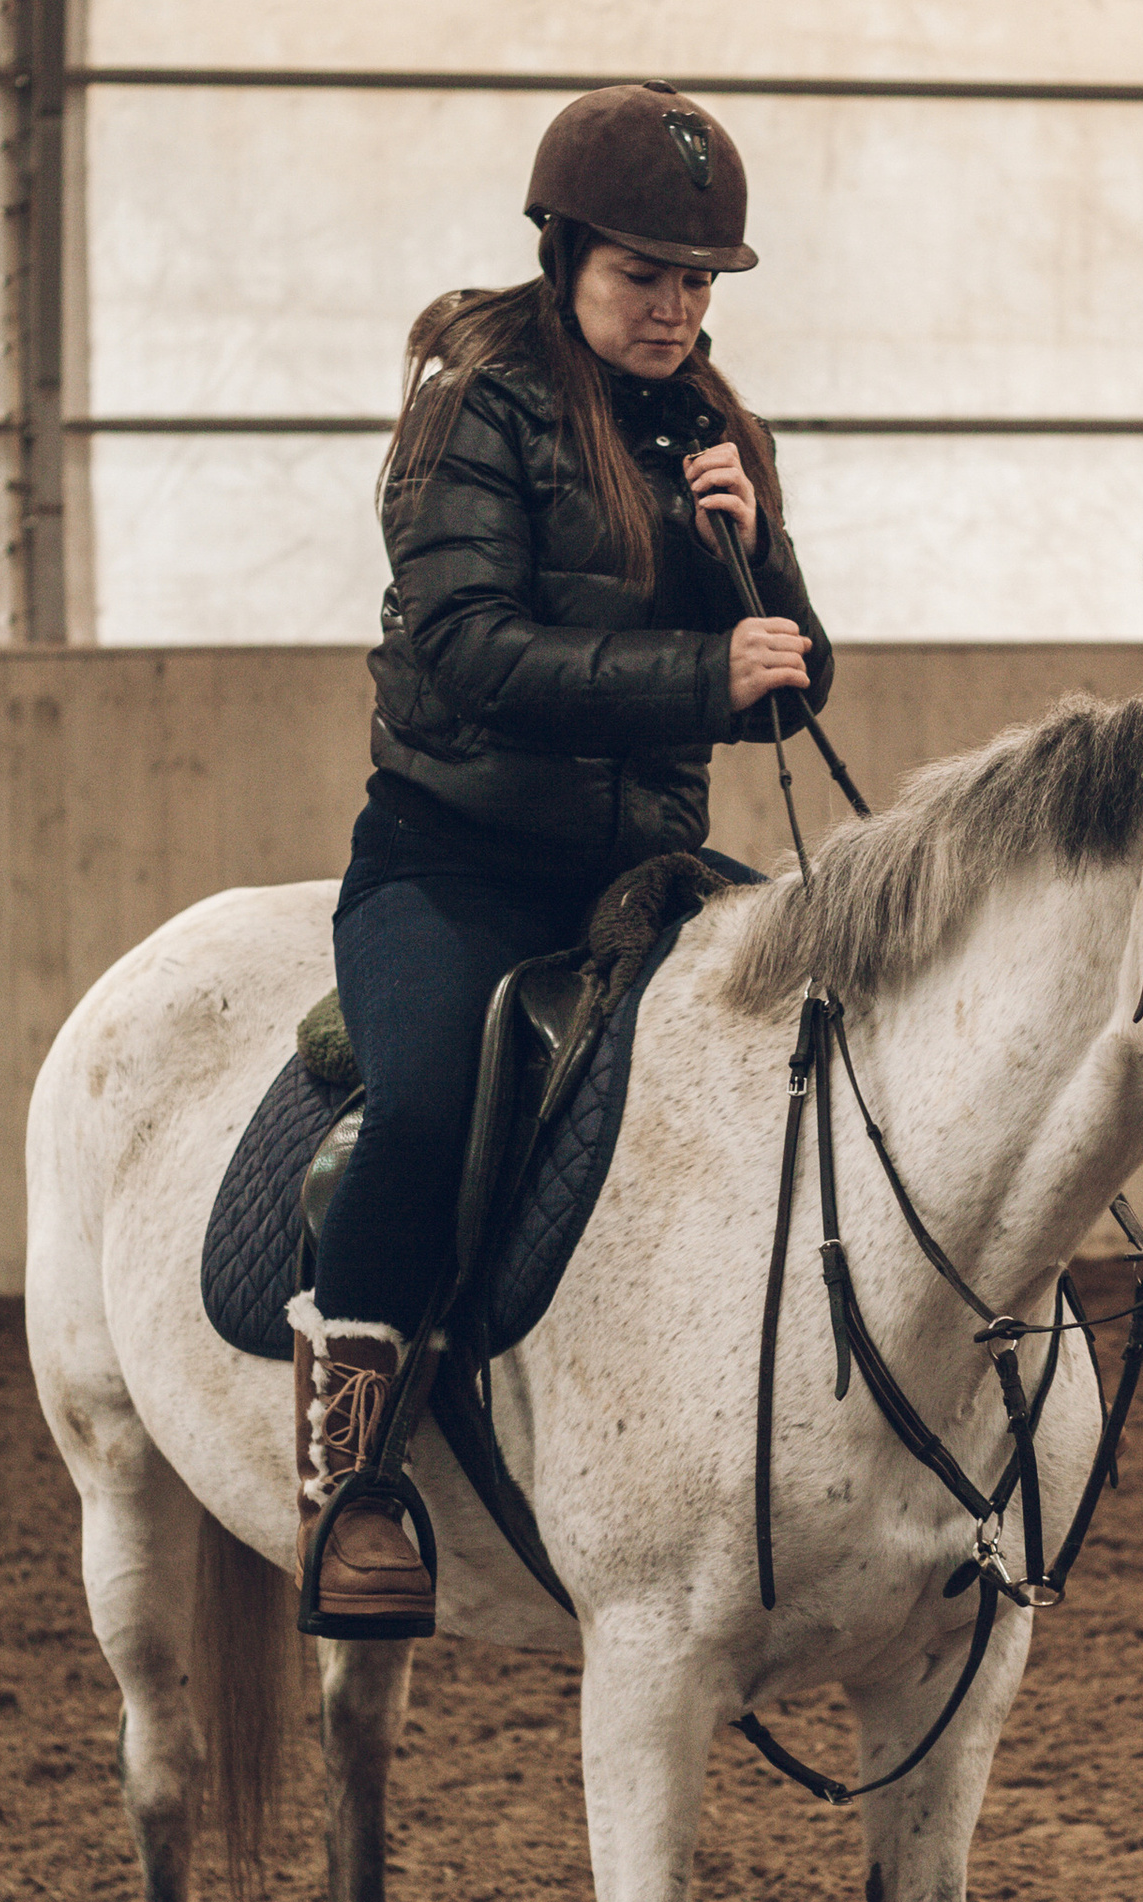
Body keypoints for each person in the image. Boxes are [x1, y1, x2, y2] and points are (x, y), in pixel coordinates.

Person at [291, 82, 832, 1640]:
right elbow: (463, 651)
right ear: (565, 253)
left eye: (698, 283)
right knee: (426, 1112)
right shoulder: (476, 409)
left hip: (641, 878)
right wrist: (697, 674)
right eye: (645, 276)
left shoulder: (719, 427)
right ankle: (358, 1480)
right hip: (451, 864)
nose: (675, 310)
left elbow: (795, 676)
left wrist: (757, 548)